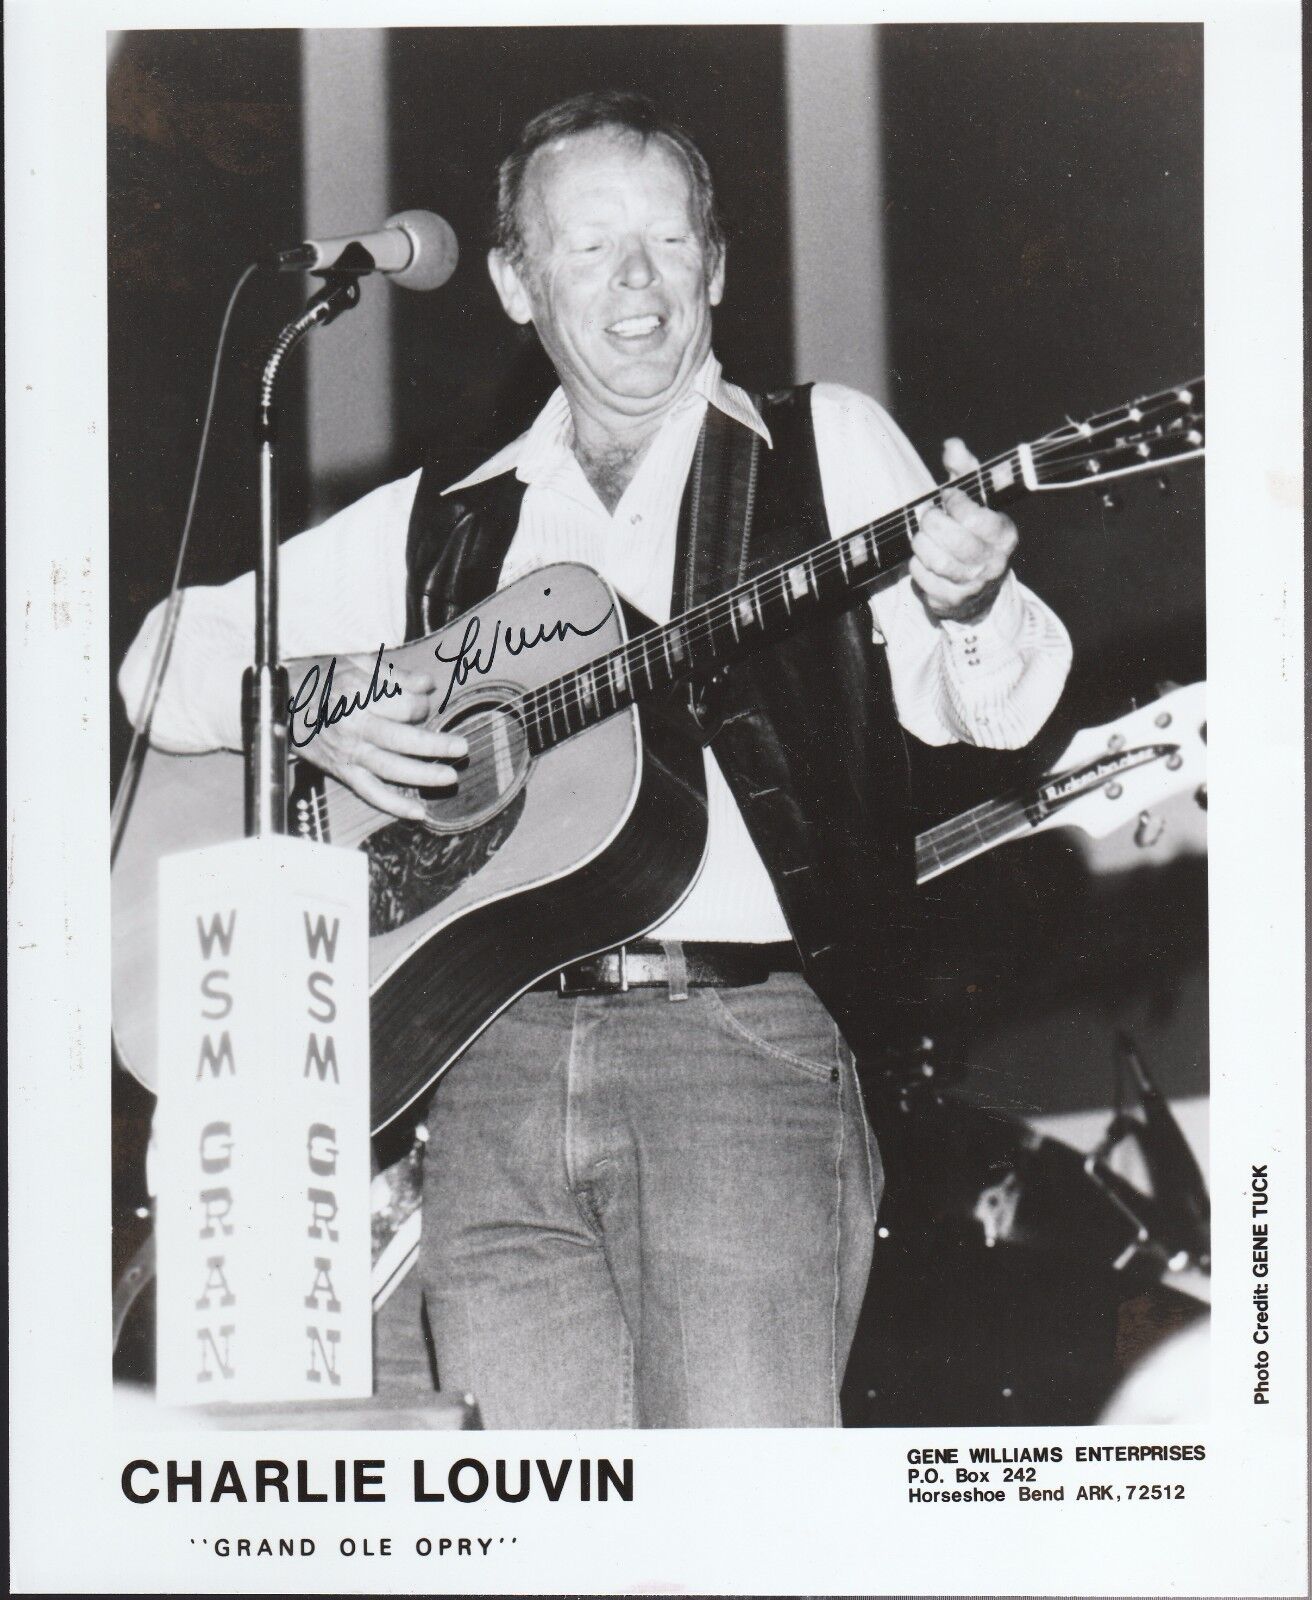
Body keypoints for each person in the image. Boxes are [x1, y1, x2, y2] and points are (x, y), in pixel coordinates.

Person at [120, 90, 1072, 1428]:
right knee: (540, 1543)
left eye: (670, 243)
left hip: (735, 1059)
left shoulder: (821, 448)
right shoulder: (445, 522)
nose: (637, 282)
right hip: (489, 1070)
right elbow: (162, 655)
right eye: (588, 246)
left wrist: (968, 604)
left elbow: (994, 711)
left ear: (715, 266)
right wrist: (313, 698)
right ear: (516, 281)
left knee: (735, 1539)